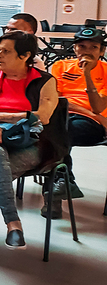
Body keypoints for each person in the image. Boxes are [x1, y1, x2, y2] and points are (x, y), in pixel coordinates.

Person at [0, 31, 58, 266]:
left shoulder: (44, 81)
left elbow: (43, 117)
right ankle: (12, 224)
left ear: (25, 56)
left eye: (6, 51)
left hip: (31, 144)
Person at [46, 25, 107, 215]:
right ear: (74, 48)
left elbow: (98, 106)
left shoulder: (106, 71)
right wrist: (89, 112)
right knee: (53, 131)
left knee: (58, 133)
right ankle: (62, 181)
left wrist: (87, 74)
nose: (86, 51)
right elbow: (56, 100)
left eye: (93, 47)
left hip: (91, 126)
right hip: (67, 117)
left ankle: (55, 192)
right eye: (82, 46)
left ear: (102, 51)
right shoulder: (60, 66)